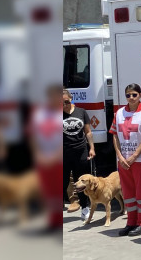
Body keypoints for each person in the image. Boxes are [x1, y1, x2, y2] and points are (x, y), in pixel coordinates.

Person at [110, 83, 141, 237]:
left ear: (140, 95)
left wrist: (135, 155)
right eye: (128, 95)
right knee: (128, 193)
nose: (131, 97)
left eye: (134, 94)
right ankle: (131, 222)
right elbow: (114, 135)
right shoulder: (119, 113)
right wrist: (120, 156)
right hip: (123, 161)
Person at [31, 84, 65, 233]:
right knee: (48, 193)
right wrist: (38, 155)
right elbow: (33, 136)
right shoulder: (39, 114)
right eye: (50, 96)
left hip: (57, 160)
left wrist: (54, 157)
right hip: (42, 160)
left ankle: (59, 220)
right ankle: (53, 220)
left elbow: (64, 139)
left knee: (58, 192)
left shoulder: (62, 115)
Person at [63, 89, 95, 219]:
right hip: (63, 152)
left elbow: (88, 132)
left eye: (66, 101)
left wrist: (92, 148)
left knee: (81, 181)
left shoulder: (81, 112)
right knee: (61, 181)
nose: (64, 104)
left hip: (81, 151)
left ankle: (85, 207)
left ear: (71, 99)